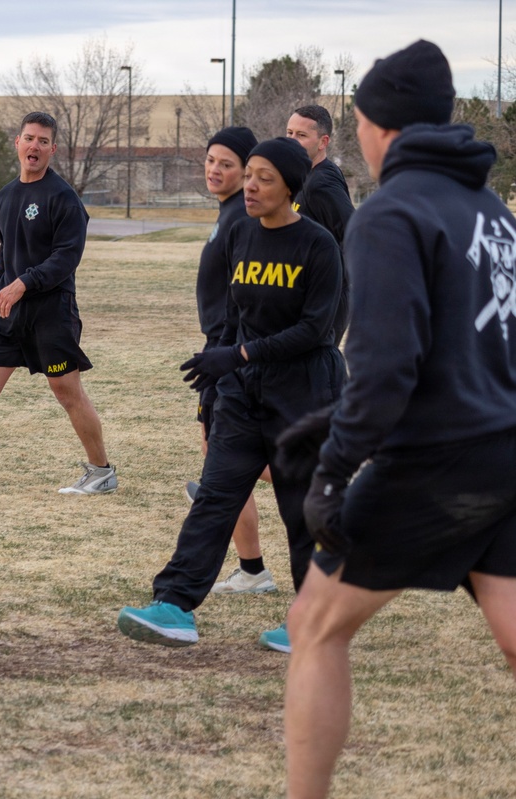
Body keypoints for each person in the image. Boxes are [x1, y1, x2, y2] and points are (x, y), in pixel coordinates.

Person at [283, 40, 516, 798]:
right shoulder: (491, 212)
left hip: (440, 461)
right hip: (504, 450)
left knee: (314, 624)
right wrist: (336, 416)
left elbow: (387, 367)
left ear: (377, 124)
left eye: (354, 121)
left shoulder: (387, 213)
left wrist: (332, 469)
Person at [117, 137, 345, 652]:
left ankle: (311, 620)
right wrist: (217, 376)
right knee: (215, 497)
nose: (251, 185)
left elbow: (314, 330)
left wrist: (238, 356)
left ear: (290, 187)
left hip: (304, 394)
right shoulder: (240, 234)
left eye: (264, 177)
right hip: (244, 394)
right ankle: (173, 605)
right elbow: (233, 316)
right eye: (250, 175)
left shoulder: (317, 245)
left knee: (302, 511)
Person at [0, 111, 116, 495]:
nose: (34, 146)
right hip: (9, 312)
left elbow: (66, 257)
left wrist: (23, 284)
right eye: (28, 138)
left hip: (51, 312)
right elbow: (7, 253)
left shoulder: (64, 198)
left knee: (67, 393)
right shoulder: (7, 194)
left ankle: (101, 471)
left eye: (42, 141)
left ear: (52, 148)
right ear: (17, 143)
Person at [189, 126, 278, 596]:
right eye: (210, 160)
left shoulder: (243, 221)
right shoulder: (228, 215)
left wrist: (226, 356)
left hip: (233, 358)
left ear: (247, 171)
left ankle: (334, 511)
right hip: (220, 353)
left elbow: (245, 300)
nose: (215, 170)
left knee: (234, 462)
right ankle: (251, 569)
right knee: (222, 459)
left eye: (226, 163)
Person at [286, 103, 355, 342]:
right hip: (307, 294)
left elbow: (353, 234)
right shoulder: (305, 176)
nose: (293, 140)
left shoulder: (321, 183)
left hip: (327, 300)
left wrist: (333, 284)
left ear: (323, 142)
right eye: (290, 133)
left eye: (302, 135)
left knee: (318, 370)